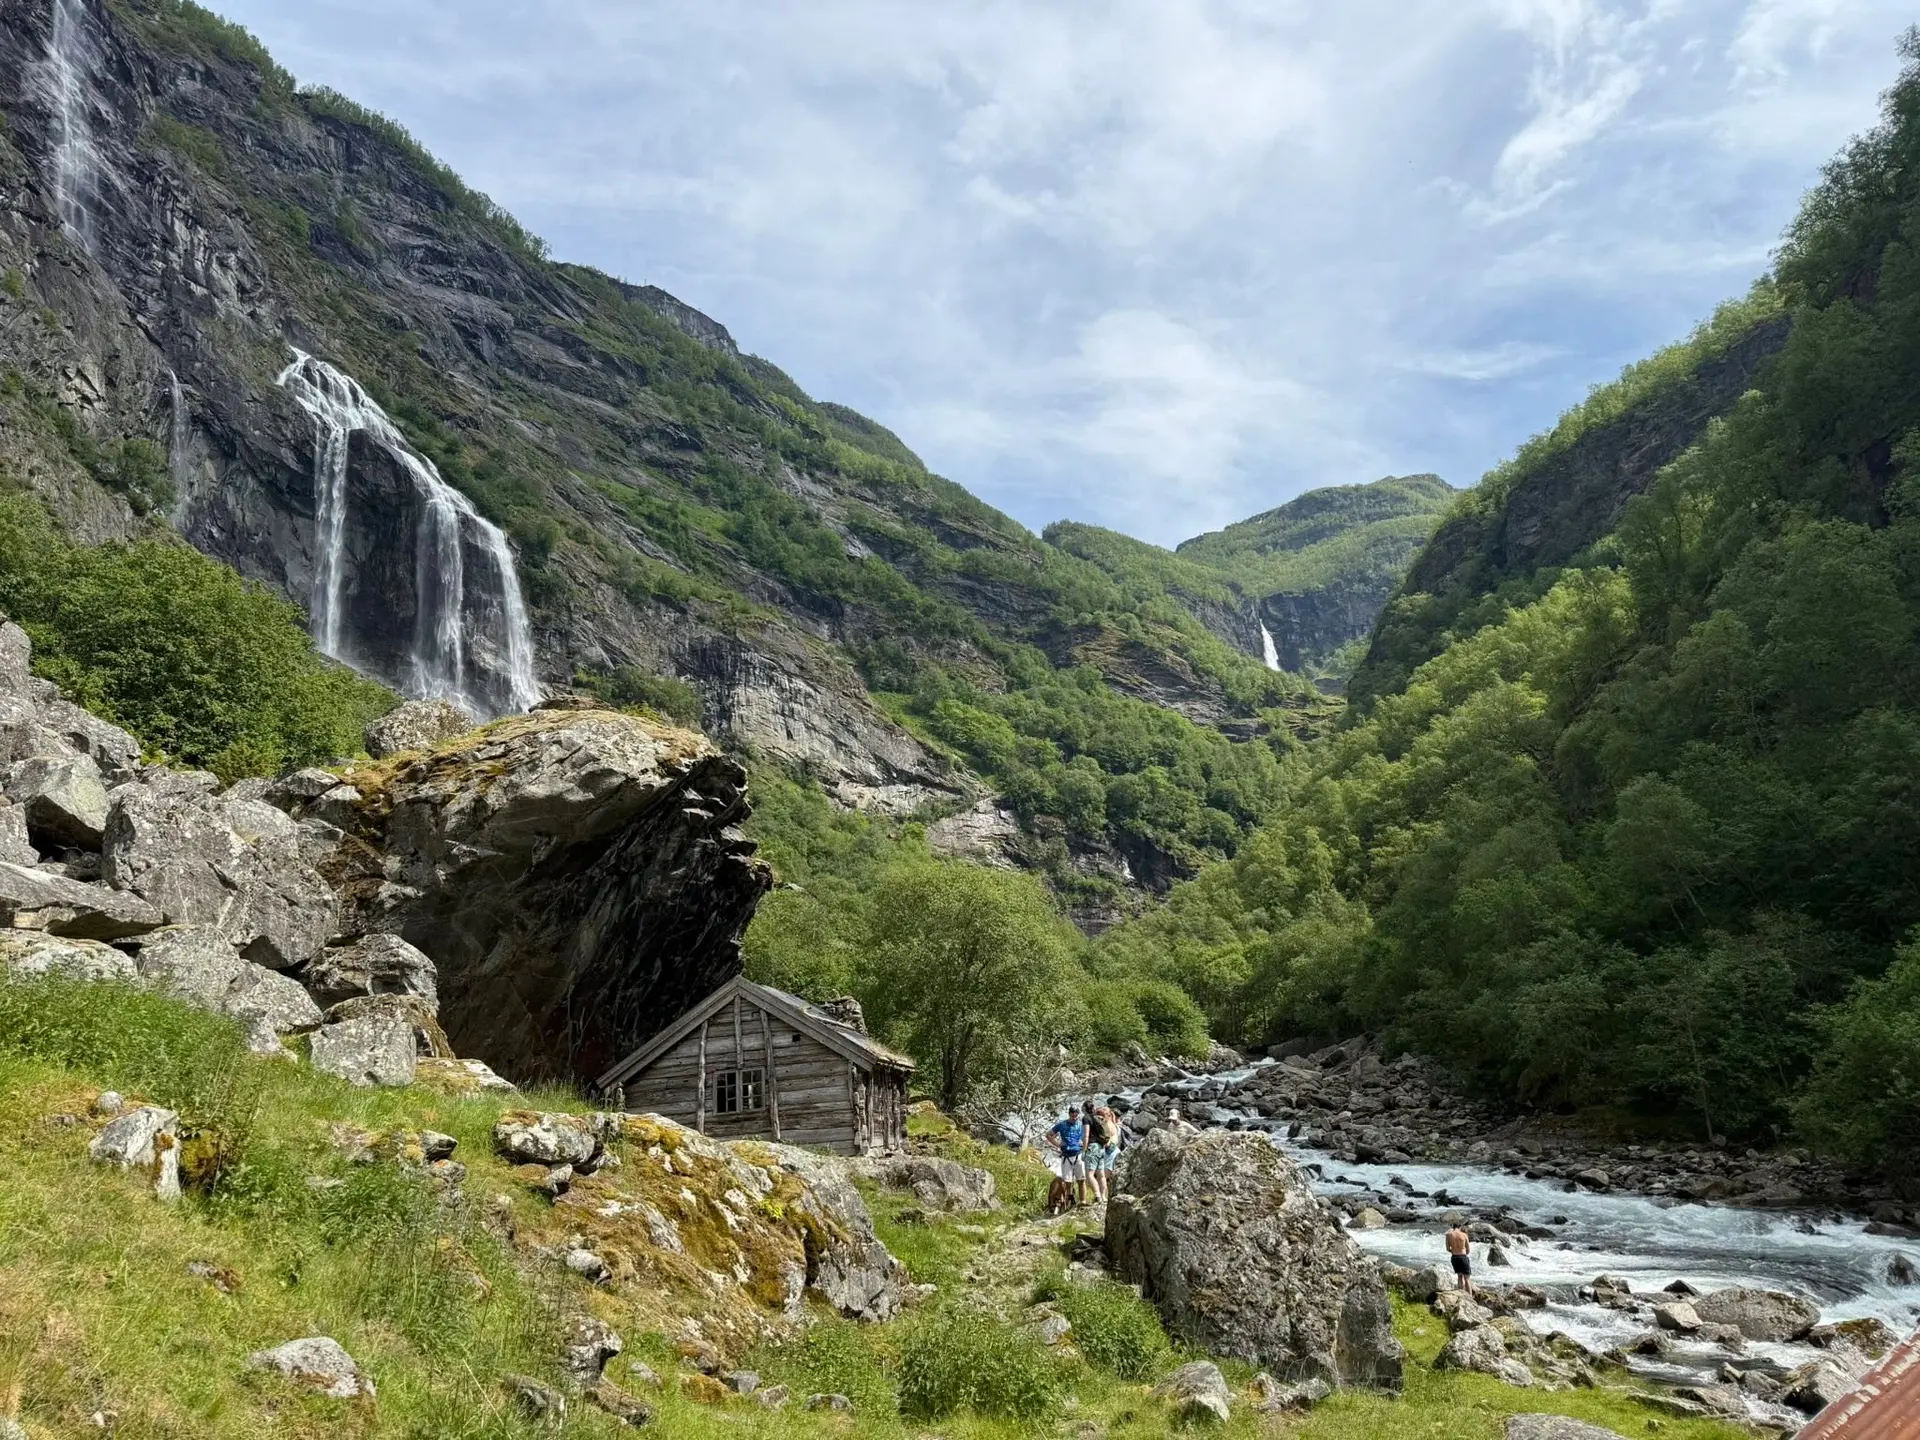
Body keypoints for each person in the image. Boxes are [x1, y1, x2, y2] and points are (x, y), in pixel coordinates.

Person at [1046, 1104, 1091, 1208]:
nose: (1074, 1118)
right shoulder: (1062, 1124)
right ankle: (1067, 1204)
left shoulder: (1081, 1125)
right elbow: (1048, 1134)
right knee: (1067, 1182)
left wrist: (1084, 1147)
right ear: (1069, 1114)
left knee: (1081, 1180)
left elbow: (1086, 1137)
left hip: (1078, 1154)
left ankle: (1083, 1202)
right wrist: (1058, 1144)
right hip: (1066, 1156)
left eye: (1076, 1116)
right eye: (1072, 1116)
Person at [1086, 1099, 1121, 1202]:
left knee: (1100, 1177)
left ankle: (1102, 1197)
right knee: (1104, 1178)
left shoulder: (1107, 1126)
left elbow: (1107, 1143)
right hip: (1114, 1153)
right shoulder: (1113, 1123)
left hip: (1109, 1154)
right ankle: (1103, 1196)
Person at [1445, 1223, 1472, 1293]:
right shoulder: (1464, 1235)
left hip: (1454, 1257)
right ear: (1460, 1227)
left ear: (1453, 1227)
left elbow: (1448, 1249)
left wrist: (1454, 1251)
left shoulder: (1448, 1235)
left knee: (1460, 1276)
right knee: (1467, 1278)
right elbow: (1468, 1249)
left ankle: (1461, 1296)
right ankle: (1470, 1298)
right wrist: (1462, 1253)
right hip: (1462, 1256)